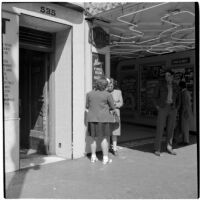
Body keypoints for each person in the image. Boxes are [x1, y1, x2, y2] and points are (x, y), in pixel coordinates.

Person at [86, 77, 117, 164]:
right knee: (104, 138)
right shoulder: (107, 94)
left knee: (93, 138)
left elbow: (87, 106)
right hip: (103, 119)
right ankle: (105, 158)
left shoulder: (89, 94)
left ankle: (93, 157)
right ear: (105, 86)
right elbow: (113, 107)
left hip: (92, 119)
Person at [153, 69, 180, 156]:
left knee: (171, 129)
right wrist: (157, 107)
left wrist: (177, 107)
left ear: (172, 76)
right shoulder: (160, 85)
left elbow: (179, 98)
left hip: (172, 108)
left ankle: (169, 147)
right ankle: (157, 149)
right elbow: (154, 97)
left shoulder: (176, 86)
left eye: (168, 75)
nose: (166, 77)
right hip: (163, 108)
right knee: (160, 128)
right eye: (165, 75)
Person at [107, 78, 123, 156]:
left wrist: (114, 105)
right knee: (107, 131)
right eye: (108, 85)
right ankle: (106, 147)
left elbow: (121, 103)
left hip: (116, 114)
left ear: (113, 85)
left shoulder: (118, 92)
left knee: (115, 132)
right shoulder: (104, 92)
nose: (110, 87)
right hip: (107, 114)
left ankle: (115, 148)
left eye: (111, 85)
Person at [178, 81, 192, 145]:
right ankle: (184, 140)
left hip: (185, 112)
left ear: (181, 86)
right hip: (185, 111)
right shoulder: (185, 92)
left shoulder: (184, 93)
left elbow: (186, 104)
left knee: (185, 127)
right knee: (184, 126)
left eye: (179, 86)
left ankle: (186, 141)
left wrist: (186, 112)